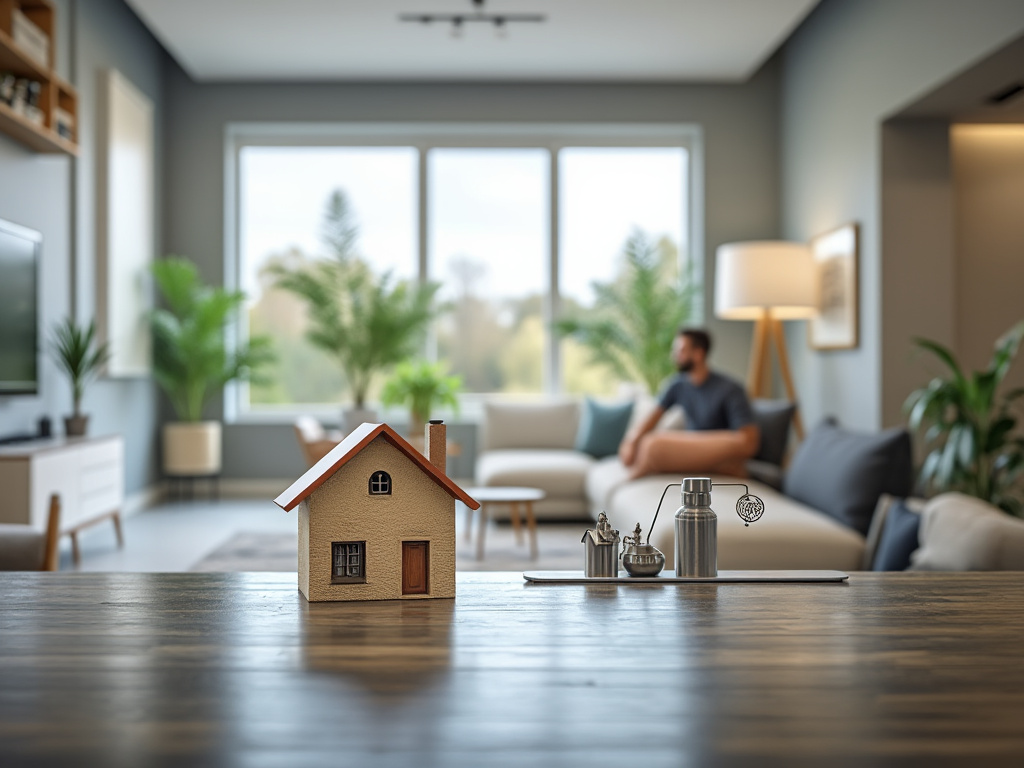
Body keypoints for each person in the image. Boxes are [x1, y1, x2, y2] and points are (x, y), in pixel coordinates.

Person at [619, 327, 760, 479]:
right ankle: (719, 468)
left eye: (681, 350)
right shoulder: (677, 385)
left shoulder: (730, 389)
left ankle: (718, 465)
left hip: (714, 449)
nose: (674, 356)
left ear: (698, 353)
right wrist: (632, 441)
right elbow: (652, 418)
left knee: (653, 446)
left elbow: (748, 441)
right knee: (645, 443)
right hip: (690, 447)